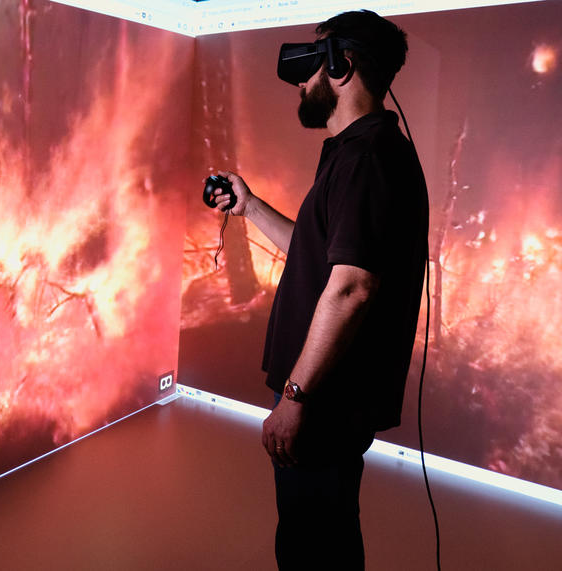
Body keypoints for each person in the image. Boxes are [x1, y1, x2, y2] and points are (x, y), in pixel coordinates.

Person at [209, 10, 429, 570]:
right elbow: (322, 255)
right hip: (327, 400)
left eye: (308, 68)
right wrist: (250, 206)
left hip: (326, 403)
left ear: (340, 66)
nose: (300, 84)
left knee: (314, 546)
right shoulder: (360, 154)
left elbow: (352, 287)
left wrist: (295, 398)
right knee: (321, 533)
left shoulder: (367, 158)